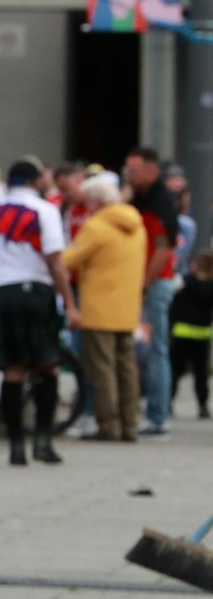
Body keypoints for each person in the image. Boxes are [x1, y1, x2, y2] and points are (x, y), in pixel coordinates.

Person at [0, 161, 72, 463]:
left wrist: (7, 259)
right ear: (37, 181)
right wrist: (71, 305)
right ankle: (43, 440)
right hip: (35, 292)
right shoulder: (45, 211)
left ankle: (15, 446)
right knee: (47, 365)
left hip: (2, 293)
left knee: (12, 370)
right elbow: (55, 261)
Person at [62, 176, 148, 444]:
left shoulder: (97, 226)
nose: (86, 207)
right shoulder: (137, 224)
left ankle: (109, 426)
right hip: (127, 308)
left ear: (97, 201)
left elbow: (69, 259)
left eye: (88, 202)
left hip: (99, 308)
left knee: (102, 370)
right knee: (127, 369)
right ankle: (130, 424)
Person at [125, 147, 180, 436]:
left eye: (134, 171)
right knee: (150, 349)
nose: (129, 176)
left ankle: (157, 415)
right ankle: (154, 411)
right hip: (146, 281)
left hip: (154, 283)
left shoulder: (160, 202)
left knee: (156, 349)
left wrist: (145, 284)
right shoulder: (140, 198)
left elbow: (163, 248)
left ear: (152, 170)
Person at [170, 249, 213, 420]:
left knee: (175, 371)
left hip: (181, 333)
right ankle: (202, 406)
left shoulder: (185, 282)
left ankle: (168, 403)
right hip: (202, 335)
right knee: (201, 374)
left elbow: (172, 298)